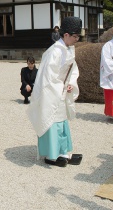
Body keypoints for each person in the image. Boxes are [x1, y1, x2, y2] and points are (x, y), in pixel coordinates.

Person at [27, 17, 83, 167]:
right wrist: (61, 87)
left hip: (61, 89)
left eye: (78, 36)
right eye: (75, 36)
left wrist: (70, 83)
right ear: (66, 35)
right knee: (53, 120)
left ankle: (63, 151)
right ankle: (52, 155)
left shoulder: (68, 49)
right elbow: (48, 77)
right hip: (52, 92)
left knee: (62, 121)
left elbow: (73, 70)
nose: (77, 39)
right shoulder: (54, 52)